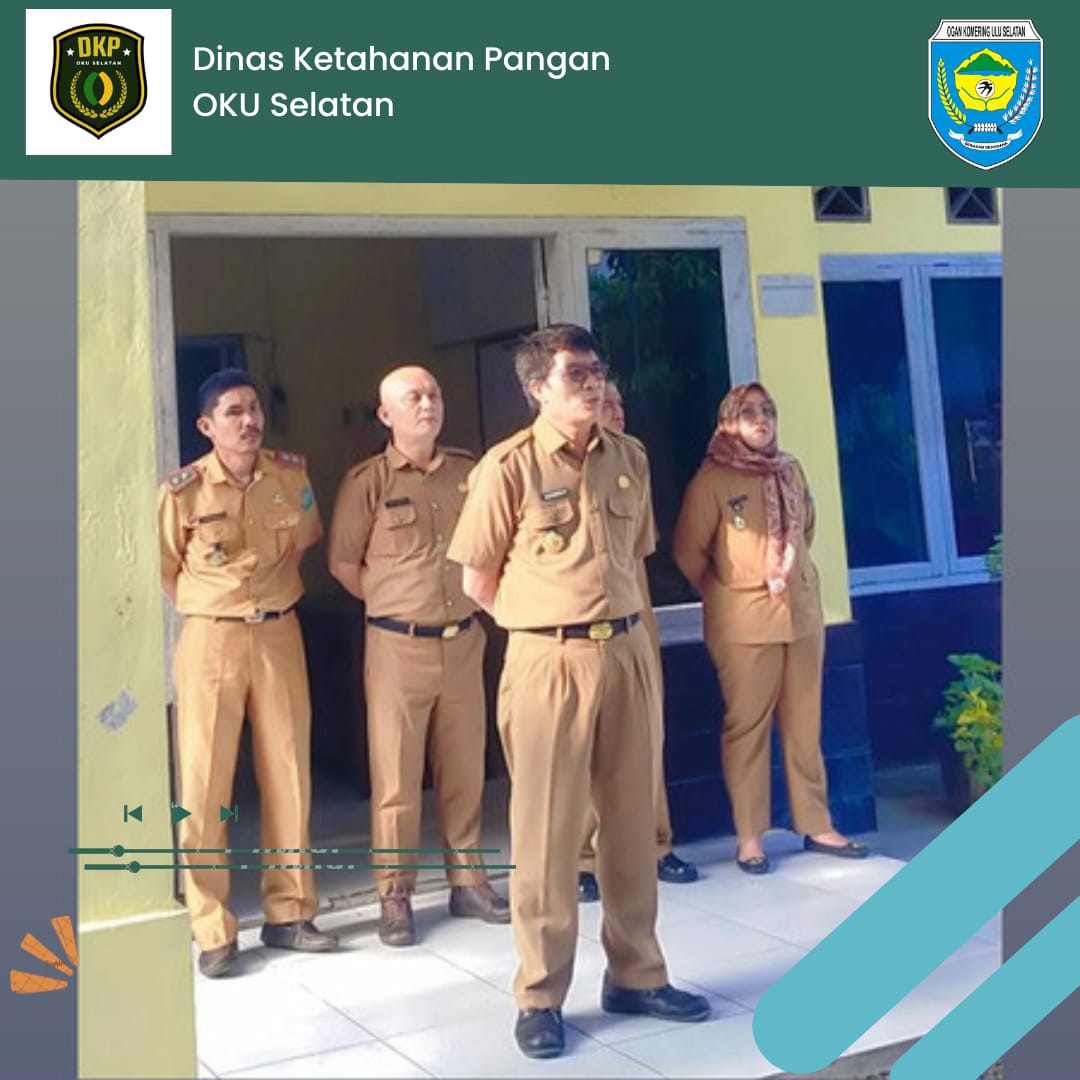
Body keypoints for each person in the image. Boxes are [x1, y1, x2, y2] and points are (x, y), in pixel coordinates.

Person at [447, 325, 710, 1060]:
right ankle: (539, 995)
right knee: (547, 834)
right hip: (548, 660)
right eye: (575, 375)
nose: (592, 384)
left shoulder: (629, 457)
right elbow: (476, 580)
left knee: (631, 825)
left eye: (597, 371)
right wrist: (542, 625)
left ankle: (637, 974)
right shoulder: (508, 467)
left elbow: (634, 557)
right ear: (538, 388)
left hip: (625, 650)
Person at [157, 369, 337, 979]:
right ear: (206, 426)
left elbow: (304, 540)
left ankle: (290, 912)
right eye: (233, 412)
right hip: (212, 638)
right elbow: (167, 569)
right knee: (205, 782)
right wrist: (218, 605)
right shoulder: (181, 492)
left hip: (279, 631)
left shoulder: (290, 476)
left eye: (254, 409)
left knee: (289, 771)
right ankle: (212, 927)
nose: (249, 421)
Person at [328, 366, 509, 948]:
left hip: (463, 640)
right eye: (413, 398)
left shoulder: (467, 472)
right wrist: (393, 602)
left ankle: (469, 880)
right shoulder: (368, 482)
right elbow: (343, 563)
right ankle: (395, 893)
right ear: (386, 415)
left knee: (464, 770)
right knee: (396, 778)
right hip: (397, 646)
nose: (427, 404)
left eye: (433, 394)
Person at [672, 381, 869, 874]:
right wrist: (727, 591)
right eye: (748, 413)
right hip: (743, 622)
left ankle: (816, 823)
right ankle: (750, 837)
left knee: (805, 724)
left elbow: (806, 528)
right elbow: (688, 552)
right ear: (728, 422)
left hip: (800, 614)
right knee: (748, 728)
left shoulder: (790, 469)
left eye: (768, 411)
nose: (761, 420)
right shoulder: (713, 480)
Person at [578, 380, 698, 903]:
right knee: (585, 744)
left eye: (619, 403)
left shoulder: (634, 460)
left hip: (634, 600)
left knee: (647, 733)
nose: (616, 411)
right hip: (582, 616)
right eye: (605, 404)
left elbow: (646, 541)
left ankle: (656, 843)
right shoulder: (559, 466)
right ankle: (584, 858)